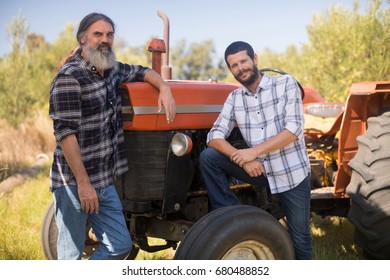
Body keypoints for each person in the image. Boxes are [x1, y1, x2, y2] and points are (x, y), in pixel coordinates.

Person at [49, 12, 176, 260]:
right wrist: (84, 186)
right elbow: (66, 135)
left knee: (120, 245)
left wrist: (164, 87)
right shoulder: (69, 77)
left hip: (104, 180)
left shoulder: (111, 70)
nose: (104, 39)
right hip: (76, 182)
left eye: (109, 34)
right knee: (70, 256)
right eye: (98, 34)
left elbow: (141, 71)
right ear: (83, 39)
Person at [199, 41, 312, 259]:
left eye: (243, 61)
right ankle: (231, 218)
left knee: (301, 239)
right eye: (234, 65)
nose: (240, 68)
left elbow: (294, 129)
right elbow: (213, 136)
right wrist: (243, 160)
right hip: (260, 171)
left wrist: (252, 152)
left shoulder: (285, 84)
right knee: (209, 157)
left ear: (255, 59)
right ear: (230, 70)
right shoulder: (234, 98)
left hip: (292, 175)